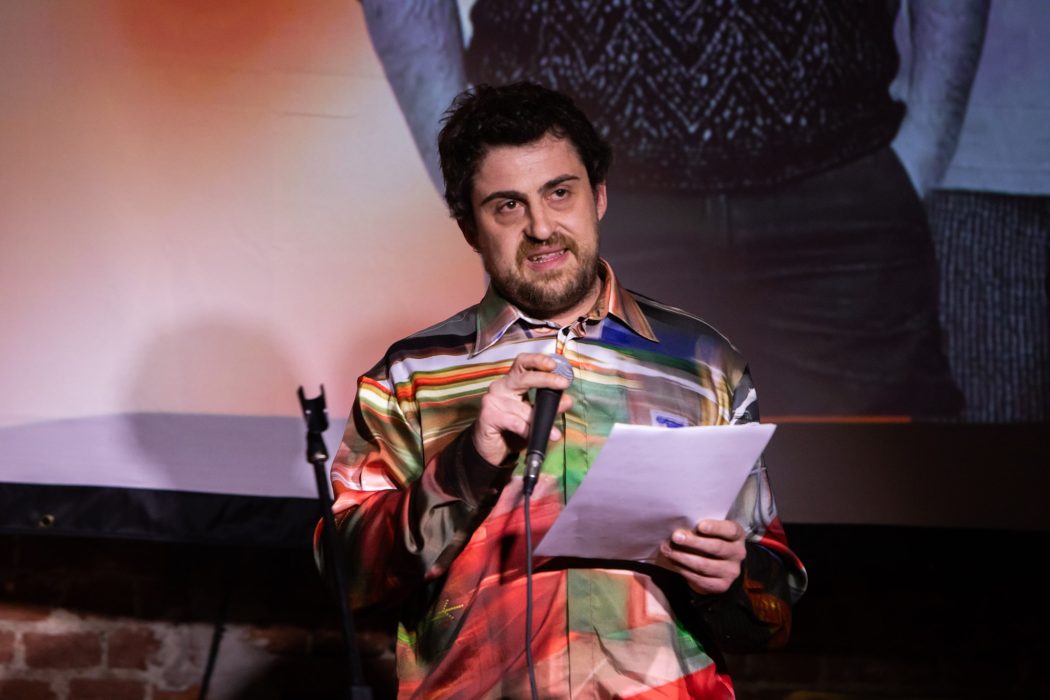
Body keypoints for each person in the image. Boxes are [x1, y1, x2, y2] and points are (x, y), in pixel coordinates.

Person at [319, 82, 806, 698]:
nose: (542, 227)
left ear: (598, 196)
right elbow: (346, 577)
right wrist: (468, 464)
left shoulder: (704, 363)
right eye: (507, 206)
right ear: (470, 228)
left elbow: (775, 606)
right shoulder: (410, 375)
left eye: (559, 192)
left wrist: (731, 580)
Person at [361, 0, 988, 418]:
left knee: (879, 507)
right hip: (580, 194)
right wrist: (482, 179)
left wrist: (922, 149)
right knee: (575, 498)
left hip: (839, 182)